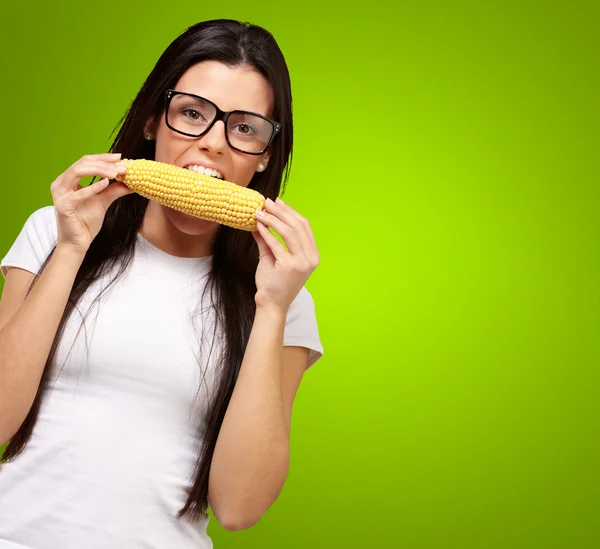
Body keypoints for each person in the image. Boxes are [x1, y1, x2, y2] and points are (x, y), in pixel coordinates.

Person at [0, 19, 323, 549]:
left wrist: (272, 308)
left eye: (244, 127)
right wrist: (70, 250)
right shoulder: (53, 232)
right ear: (153, 120)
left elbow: (240, 507)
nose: (214, 144)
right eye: (192, 113)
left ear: (265, 154)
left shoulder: (285, 299)